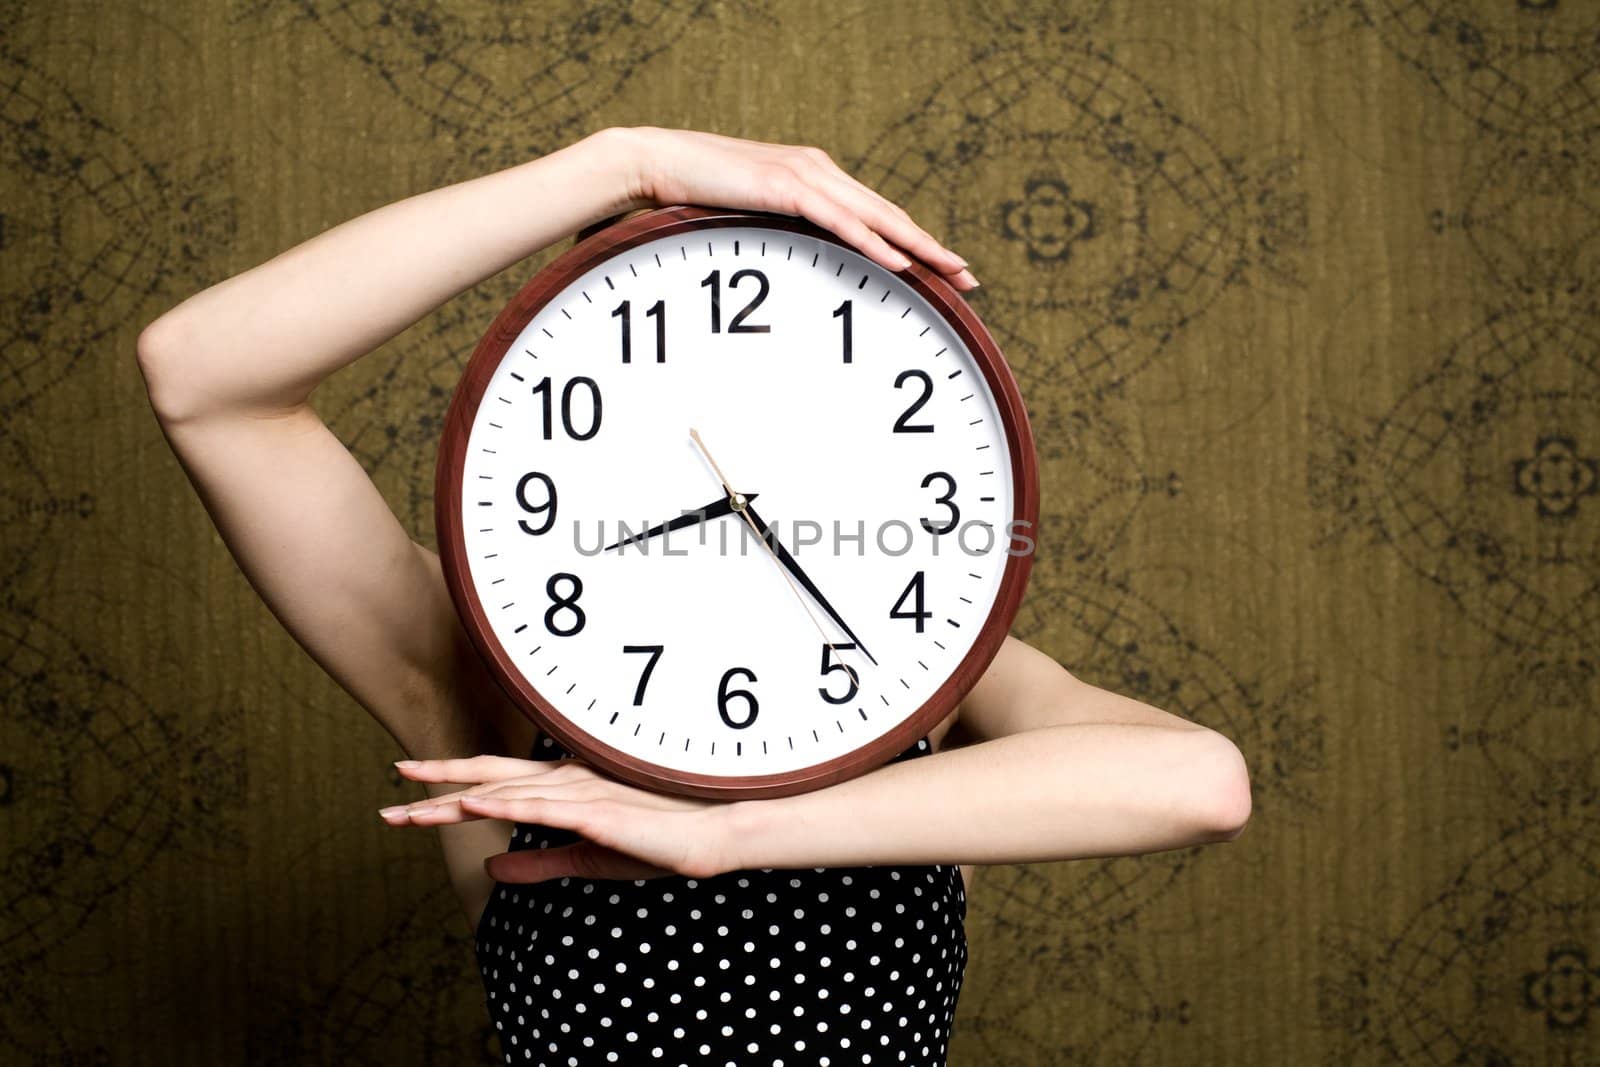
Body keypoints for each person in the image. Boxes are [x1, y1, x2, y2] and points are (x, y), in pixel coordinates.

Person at [136, 126, 1252, 1066]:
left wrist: (738, 834)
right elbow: (201, 374)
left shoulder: (919, 678)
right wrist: (626, 163)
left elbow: (1200, 780)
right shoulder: (476, 675)